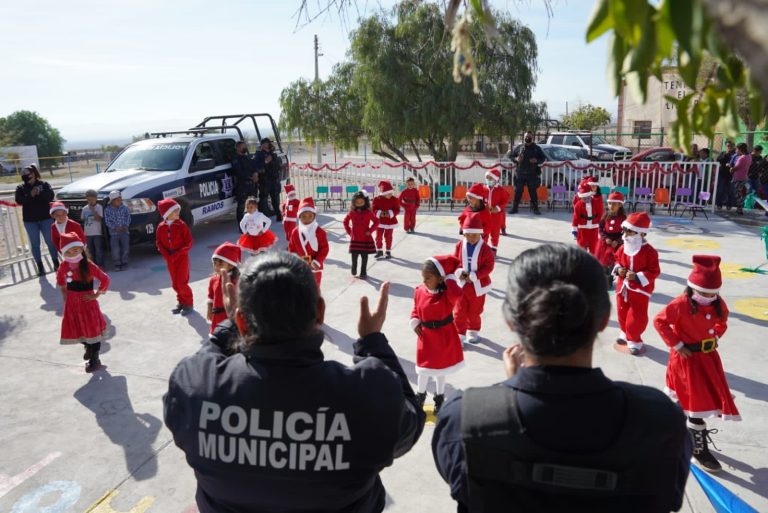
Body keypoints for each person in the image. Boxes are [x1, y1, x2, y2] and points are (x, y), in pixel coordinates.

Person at [432, 243, 692, 513]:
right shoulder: (660, 421)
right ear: (604, 320)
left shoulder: (466, 418)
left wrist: (511, 393)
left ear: (511, 321)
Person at [163, 252, 425, 513]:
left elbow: (205, 361)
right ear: (320, 312)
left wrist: (229, 326)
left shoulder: (194, 385)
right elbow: (409, 423)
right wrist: (373, 342)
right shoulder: (365, 395)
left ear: (242, 321)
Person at [653, 255, 740, 473]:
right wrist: (677, 343)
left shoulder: (717, 303)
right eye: (704, 293)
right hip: (686, 361)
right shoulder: (680, 304)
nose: (708, 297)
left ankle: (680, 432)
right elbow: (659, 321)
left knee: (700, 401)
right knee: (695, 403)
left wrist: (716, 336)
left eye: (713, 293)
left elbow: (723, 321)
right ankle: (697, 448)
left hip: (708, 359)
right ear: (692, 288)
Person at [411, 255, 465, 414]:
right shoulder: (420, 291)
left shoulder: (447, 295)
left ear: (440, 278)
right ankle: (420, 396)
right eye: (423, 277)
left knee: (441, 370)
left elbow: (457, 295)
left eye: (429, 278)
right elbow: (415, 308)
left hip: (443, 336)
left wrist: (449, 278)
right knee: (423, 370)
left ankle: (439, 398)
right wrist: (414, 321)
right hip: (426, 337)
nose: (425, 281)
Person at [56, 232, 110, 372]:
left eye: (76, 249)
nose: (72, 253)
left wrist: (97, 294)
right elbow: (60, 280)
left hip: (87, 303)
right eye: (68, 251)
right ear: (64, 252)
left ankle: (95, 358)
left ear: (82, 248)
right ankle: (87, 347)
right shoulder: (63, 266)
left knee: (92, 330)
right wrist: (64, 294)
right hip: (72, 304)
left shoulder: (89, 265)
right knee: (79, 328)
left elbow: (105, 279)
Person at [613, 212, 660, 355]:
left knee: (636, 316)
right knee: (622, 311)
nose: (626, 234)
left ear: (641, 234)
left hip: (640, 290)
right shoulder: (622, 248)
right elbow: (617, 261)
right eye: (625, 230)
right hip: (623, 287)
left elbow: (654, 271)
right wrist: (619, 269)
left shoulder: (650, 252)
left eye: (630, 231)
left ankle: (634, 339)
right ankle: (624, 332)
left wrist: (638, 277)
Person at [453, 214, 494, 345]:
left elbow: (489, 266)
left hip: (478, 286)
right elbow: (455, 261)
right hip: (462, 285)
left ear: (480, 234)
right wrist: (459, 271)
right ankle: (459, 334)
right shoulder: (459, 245)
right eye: (468, 235)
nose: (471, 238)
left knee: (475, 311)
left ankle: (473, 330)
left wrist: (476, 275)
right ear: (464, 234)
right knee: (459, 311)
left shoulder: (486, 249)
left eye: (474, 235)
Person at [14, 164, 58, 275]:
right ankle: (40, 266)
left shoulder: (44, 184)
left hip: (46, 219)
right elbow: (19, 201)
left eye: (27, 173)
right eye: (23, 173)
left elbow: (50, 196)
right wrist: (30, 194)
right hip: (30, 221)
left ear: (33, 173)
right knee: (35, 244)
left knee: (51, 242)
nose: (25, 175)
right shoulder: (20, 188)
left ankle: (56, 263)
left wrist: (40, 192)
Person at [156, 198, 194, 315]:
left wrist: (179, 253)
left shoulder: (181, 225)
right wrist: (167, 256)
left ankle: (188, 303)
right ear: (167, 214)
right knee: (175, 283)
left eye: (178, 210)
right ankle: (181, 302)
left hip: (181, 257)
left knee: (182, 281)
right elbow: (159, 243)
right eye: (174, 211)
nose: (178, 213)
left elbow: (189, 243)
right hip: (170, 258)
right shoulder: (161, 227)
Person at [288, 197, 329, 288]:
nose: (307, 219)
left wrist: (318, 261)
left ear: (314, 216)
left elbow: (324, 249)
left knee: (315, 286)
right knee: (301, 286)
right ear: (299, 217)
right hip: (301, 263)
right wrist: (293, 261)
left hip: (315, 264)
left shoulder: (320, 232)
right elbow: (291, 248)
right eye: (304, 216)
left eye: (310, 216)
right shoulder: (295, 232)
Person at [343, 191, 379, 279]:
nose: (359, 204)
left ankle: (363, 272)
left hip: (365, 238)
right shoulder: (352, 212)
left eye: (361, 202)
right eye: (357, 202)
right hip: (355, 238)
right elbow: (345, 222)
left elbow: (377, 221)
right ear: (354, 202)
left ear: (365, 202)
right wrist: (349, 232)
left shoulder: (368, 212)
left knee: (364, 256)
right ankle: (354, 268)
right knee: (354, 256)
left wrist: (370, 231)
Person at [207, 242, 241, 334]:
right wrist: (209, 309)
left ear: (230, 265)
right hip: (216, 317)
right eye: (214, 263)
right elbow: (210, 296)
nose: (216, 267)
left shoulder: (235, 282)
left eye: (220, 263)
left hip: (228, 317)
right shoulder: (213, 280)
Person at [595, 191, 626, 289]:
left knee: (613, 263)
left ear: (620, 205)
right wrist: (605, 238)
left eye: (614, 203)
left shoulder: (623, 218)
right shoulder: (605, 216)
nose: (611, 206)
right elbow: (600, 228)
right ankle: (603, 279)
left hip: (616, 244)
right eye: (609, 203)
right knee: (603, 263)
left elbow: (625, 232)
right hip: (606, 243)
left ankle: (610, 279)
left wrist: (618, 240)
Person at [509, 131, 546, 215]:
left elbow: (543, 158)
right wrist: (516, 159)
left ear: (532, 138)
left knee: (533, 192)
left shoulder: (536, 148)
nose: (527, 138)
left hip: (532, 174)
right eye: (526, 137)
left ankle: (535, 209)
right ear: (524, 137)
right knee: (518, 191)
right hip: (520, 173)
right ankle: (515, 208)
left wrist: (536, 160)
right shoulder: (519, 147)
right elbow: (511, 156)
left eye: (529, 137)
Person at [229, 141, 259, 229]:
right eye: (242, 147)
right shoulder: (235, 159)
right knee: (241, 206)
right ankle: (241, 226)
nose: (245, 148)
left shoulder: (247, 157)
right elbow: (239, 172)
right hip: (242, 185)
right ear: (238, 148)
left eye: (245, 146)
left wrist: (256, 174)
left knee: (254, 204)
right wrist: (251, 177)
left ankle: (254, 224)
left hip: (251, 185)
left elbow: (254, 167)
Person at [571, 182, 604, 256]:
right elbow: (576, 217)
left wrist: (602, 226)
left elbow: (600, 213)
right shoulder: (578, 205)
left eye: (587, 197)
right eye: (583, 198)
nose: (585, 199)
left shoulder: (596, 202)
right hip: (582, 229)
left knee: (595, 247)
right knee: (582, 247)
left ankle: (594, 263)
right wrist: (574, 229)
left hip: (594, 228)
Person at [254, 138, 282, 220]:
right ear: (263, 145)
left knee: (275, 198)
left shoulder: (272, 154)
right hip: (264, 181)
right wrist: (265, 162)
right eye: (267, 143)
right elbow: (257, 167)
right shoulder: (258, 155)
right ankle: (263, 218)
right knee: (263, 199)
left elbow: (277, 166)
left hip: (274, 180)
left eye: (269, 143)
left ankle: (278, 215)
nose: (269, 144)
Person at [372, 180, 400, 259]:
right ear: (383, 193)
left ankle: (388, 251)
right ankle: (379, 250)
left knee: (388, 237)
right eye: (388, 193)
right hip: (379, 221)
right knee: (378, 236)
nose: (390, 195)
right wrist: (379, 213)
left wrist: (390, 213)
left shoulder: (394, 199)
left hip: (390, 222)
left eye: (391, 193)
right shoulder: (377, 199)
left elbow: (397, 210)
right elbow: (373, 209)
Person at [104, 190, 131, 271]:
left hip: (124, 232)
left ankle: (124, 262)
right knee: (115, 249)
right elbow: (107, 221)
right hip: (114, 233)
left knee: (125, 248)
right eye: (117, 200)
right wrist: (114, 227)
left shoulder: (124, 208)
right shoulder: (107, 210)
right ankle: (117, 264)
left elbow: (128, 217)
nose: (120, 201)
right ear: (112, 201)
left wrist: (126, 225)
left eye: (120, 199)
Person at [484, 169, 510, 252]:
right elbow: (480, 199)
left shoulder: (501, 190)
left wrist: (498, 208)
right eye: (487, 178)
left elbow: (505, 200)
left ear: (496, 179)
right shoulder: (483, 189)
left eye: (490, 178)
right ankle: (483, 249)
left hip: (496, 215)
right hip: (486, 214)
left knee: (495, 232)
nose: (488, 180)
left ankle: (493, 249)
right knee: (484, 232)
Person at [81, 189, 105, 267]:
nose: (90, 201)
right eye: (88, 200)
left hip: (97, 232)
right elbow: (83, 218)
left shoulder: (99, 207)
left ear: (96, 199)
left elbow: (99, 219)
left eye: (92, 199)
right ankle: (92, 265)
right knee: (90, 250)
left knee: (98, 250)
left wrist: (93, 210)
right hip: (88, 233)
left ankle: (100, 265)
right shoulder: (84, 208)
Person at [730, 142, 752, 215]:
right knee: (739, 193)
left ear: (740, 149)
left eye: (736, 149)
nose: (736, 150)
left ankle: (739, 209)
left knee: (738, 194)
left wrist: (731, 168)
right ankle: (739, 208)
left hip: (739, 178)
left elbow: (736, 168)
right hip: (744, 177)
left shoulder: (742, 158)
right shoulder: (749, 156)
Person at [715, 141, 735, 209]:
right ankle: (719, 204)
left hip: (731, 175)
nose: (729, 147)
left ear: (734, 146)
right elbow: (718, 160)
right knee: (720, 190)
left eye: (731, 146)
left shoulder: (735, 154)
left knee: (730, 190)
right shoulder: (723, 153)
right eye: (728, 146)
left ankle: (729, 205)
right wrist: (726, 154)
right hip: (722, 174)